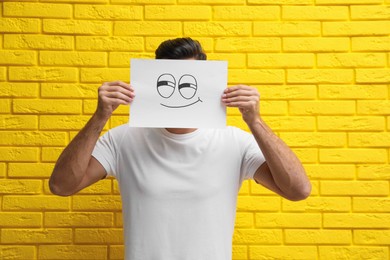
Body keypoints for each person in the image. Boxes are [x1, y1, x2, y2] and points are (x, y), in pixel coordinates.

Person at [49, 37, 311, 260]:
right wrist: (100, 116)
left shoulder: (235, 142)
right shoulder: (122, 140)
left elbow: (298, 190)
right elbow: (61, 186)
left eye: (186, 84)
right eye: (166, 84)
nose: (175, 93)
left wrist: (255, 121)